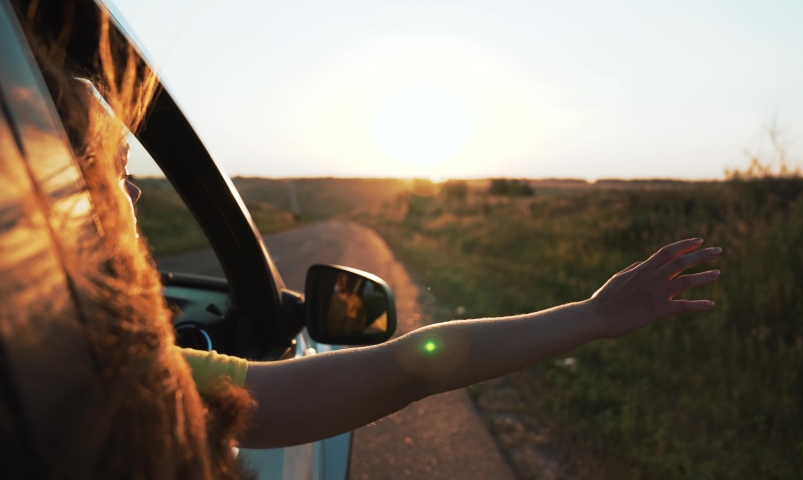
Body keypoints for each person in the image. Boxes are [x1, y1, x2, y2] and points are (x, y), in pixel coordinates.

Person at [3, 1, 722, 476]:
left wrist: (595, 315)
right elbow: (409, 368)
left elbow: (415, 364)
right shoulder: (138, 382)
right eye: (119, 173)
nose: (132, 194)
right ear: (68, 207)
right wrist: (593, 317)